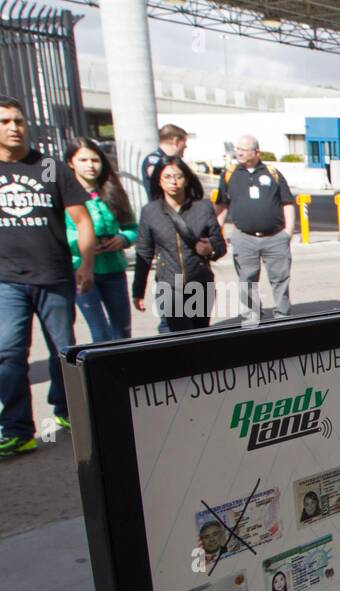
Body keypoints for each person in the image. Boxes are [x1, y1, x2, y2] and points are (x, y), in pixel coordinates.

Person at [0, 95, 96, 459]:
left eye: (19, 121)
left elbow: (82, 220)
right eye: (6, 121)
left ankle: (67, 411)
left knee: (62, 350)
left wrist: (85, 264)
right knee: (8, 352)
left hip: (54, 277)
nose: (14, 127)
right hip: (6, 280)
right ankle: (17, 429)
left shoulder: (49, 168)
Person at [132, 156, 225, 331]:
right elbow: (143, 253)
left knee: (200, 334)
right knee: (181, 337)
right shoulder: (150, 212)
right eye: (167, 177)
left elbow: (220, 246)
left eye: (178, 176)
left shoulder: (203, 207)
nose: (173, 181)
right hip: (170, 286)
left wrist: (210, 249)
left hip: (200, 284)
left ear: (187, 179)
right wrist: (138, 290)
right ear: (159, 181)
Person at [215, 135, 295, 325]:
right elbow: (221, 205)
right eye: (237, 148)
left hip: (275, 237)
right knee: (247, 279)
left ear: (256, 152)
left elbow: (287, 203)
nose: (239, 152)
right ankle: (252, 317)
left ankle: (283, 316)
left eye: (244, 149)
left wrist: (288, 232)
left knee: (280, 279)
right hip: (244, 237)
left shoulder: (272, 173)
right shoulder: (229, 174)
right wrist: (216, 231)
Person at [65, 138, 136, 342]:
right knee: (101, 333)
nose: (90, 165)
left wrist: (123, 239)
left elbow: (133, 227)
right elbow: (60, 231)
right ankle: (103, 372)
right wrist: (84, 244)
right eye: (83, 160)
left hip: (114, 269)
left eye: (95, 160)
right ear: (71, 162)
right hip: (82, 271)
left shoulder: (113, 191)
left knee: (122, 331)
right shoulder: (65, 194)